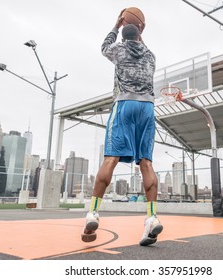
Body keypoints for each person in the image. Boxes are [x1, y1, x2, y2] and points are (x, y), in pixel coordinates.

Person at [81, 11, 163, 246]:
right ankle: (151, 218)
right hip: (147, 107)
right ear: (140, 33)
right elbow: (140, 43)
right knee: (146, 163)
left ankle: (93, 212)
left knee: (111, 159)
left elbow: (104, 45)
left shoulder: (118, 50)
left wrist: (116, 25)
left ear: (123, 33)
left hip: (125, 104)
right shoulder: (151, 55)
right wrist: (140, 30)